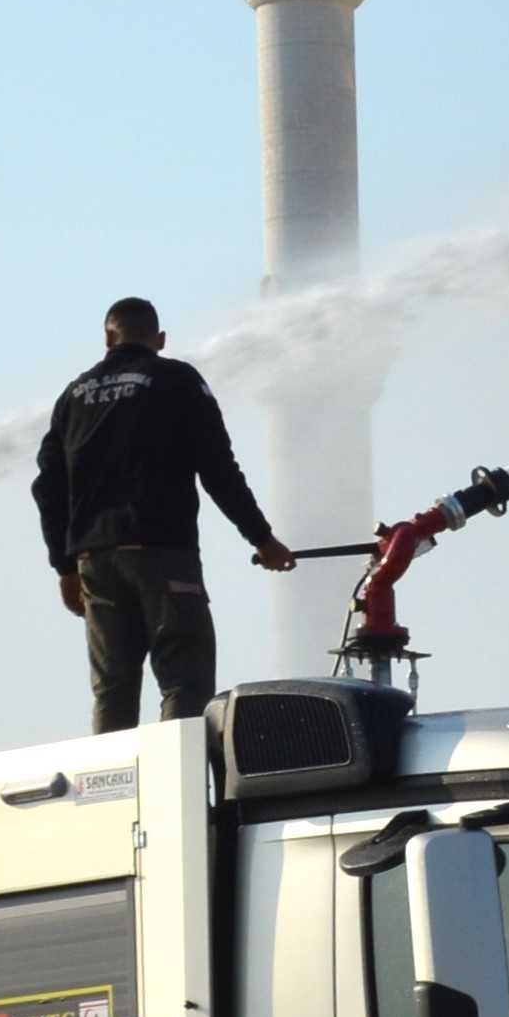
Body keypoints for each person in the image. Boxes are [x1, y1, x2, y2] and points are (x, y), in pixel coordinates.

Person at [31, 298, 296, 729]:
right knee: (183, 682)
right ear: (160, 340)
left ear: (107, 338)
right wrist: (262, 539)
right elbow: (218, 468)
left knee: (113, 690)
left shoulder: (74, 395)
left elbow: (47, 486)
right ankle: (179, 788)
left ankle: (110, 791)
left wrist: (65, 567)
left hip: (95, 564)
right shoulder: (176, 379)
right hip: (162, 555)